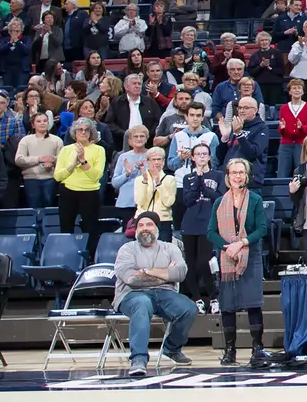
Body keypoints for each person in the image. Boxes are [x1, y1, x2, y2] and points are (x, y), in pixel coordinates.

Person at [111, 212, 196, 376]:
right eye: (140, 226)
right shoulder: (127, 249)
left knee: (189, 308)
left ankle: (171, 348)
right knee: (142, 304)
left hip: (165, 294)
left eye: (149, 225)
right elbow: (131, 279)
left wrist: (146, 272)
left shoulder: (170, 248)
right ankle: (138, 360)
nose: (144, 229)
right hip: (131, 295)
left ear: (156, 228)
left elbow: (180, 273)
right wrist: (165, 275)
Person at [208, 157, 273, 366]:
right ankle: (230, 350)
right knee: (228, 306)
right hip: (227, 257)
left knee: (253, 304)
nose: (238, 176)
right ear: (228, 177)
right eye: (234, 172)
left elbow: (262, 229)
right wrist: (228, 247)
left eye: (241, 172)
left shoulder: (254, 199)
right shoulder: (220, 202)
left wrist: (242, 243)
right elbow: (211, 232)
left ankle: (257, 348)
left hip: (250, 255)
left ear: (247, 175)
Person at [173, 142, 222, 308]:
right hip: (190, 221)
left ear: (209, 156)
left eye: (204, 154)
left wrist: (202, 181)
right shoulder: (188, 178)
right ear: (193, 158)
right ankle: (196, 298)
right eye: (198, 154)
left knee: (204, 261)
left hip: (208, 221)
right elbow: (188, 200)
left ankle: (214, 297)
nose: (201, 157)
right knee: (191, 263)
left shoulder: (218, 175)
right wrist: (198, 180)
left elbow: (218, 197)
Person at [53, 118, 106, 260]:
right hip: (67, 192)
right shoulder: (66, 150)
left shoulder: (99, 150)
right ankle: (67, 258)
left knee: (90, 229)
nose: (83, 132)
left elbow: (96, 176)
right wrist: (72, 165)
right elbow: (58, 176)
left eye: (86, 130)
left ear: (91, 133)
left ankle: (90, 259)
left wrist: (83, 161)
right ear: (74, 133)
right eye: (80, 130)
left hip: (90, 193)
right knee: (66, 228)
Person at [14, 110, 61, 210]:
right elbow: (19, 159)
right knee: (34, 207)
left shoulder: (57, 140)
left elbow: (62, 159)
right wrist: (39, 159)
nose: (43, 123)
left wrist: (52, 160)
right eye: (39, 121)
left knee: (49, 207)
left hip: (50, 178)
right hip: (31, 179)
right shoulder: (26, 140)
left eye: (45, 121)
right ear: (33, 125)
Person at [133, 147, 177, 240]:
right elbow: (139, 201)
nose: (156, 162)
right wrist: (145, 181)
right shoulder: (139, 180)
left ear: (163, 161)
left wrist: (159, 184)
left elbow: (169, 203)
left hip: (163, 221)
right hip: (143, 220)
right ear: (147, 161)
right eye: (153, 159)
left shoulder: (170, 179)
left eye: (159, 159)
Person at [276, 78, 307, 180]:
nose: (297, 90)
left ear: (303, 91)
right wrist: (282, 128)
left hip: (301, 144)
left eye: (299, 88)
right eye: (294, 88)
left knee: (302, 173)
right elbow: (280, 129)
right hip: (285, 144)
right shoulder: (284, 108)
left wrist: (301, 128)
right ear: (289, 91)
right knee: (282, 173)